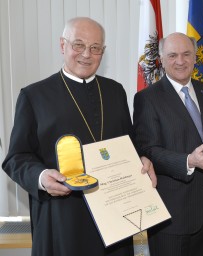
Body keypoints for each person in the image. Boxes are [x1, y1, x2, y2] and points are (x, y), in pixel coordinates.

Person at [2, 17, 156, 256]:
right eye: (78, 45)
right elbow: (16, 158)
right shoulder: (34, 95)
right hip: (63, 218)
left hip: (115, 217)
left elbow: (130, 144)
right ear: (63, 46)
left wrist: (142, 159)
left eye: (95, 48)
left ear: (102, 52)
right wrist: (42, 177)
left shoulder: (115, 91)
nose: (86, 54)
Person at [133, 32, 203, 256]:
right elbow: (147, 150)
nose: (180, 61)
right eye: (172, 55)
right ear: (161, 58)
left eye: (187, 54)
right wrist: (189, 161)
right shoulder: (147, 98)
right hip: (171, 214)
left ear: (195, 57)